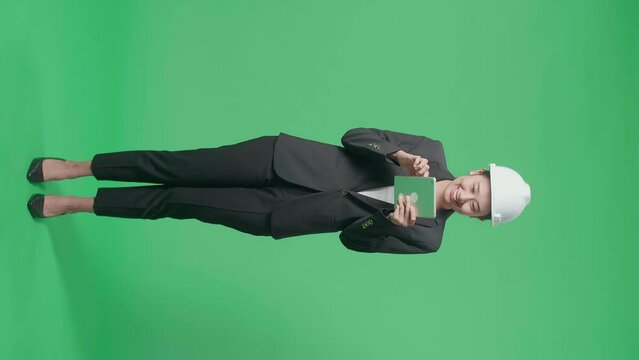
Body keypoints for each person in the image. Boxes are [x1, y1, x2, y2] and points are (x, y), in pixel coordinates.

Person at [26, 128, 531, 254]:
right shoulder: (430, 151)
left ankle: (79, 204)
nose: (466, 197)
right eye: (475, 188)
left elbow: (351, 240)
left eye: (476, 208)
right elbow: (353, 137)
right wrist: (396, 158)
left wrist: (386, 222)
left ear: (476, 219)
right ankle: (79, 167)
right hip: (282, 157)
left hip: (285, 212)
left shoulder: (427, 237)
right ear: (476, 173)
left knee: (176, 201)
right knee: (180, 165)